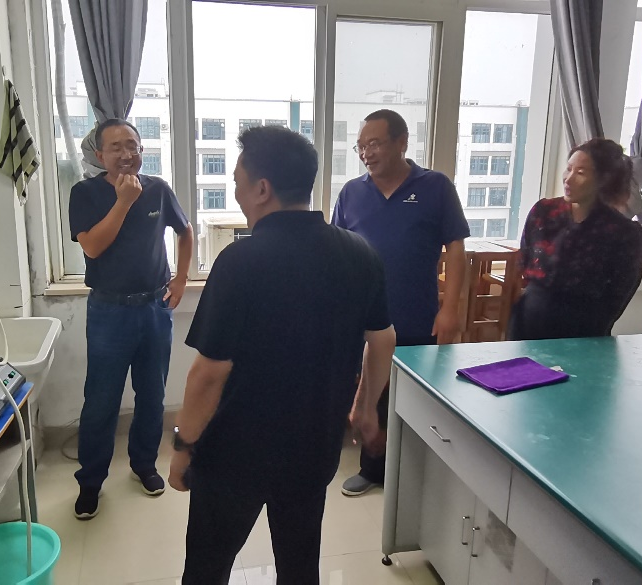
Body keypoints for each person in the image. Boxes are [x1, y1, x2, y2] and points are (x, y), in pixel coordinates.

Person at [168, 125, 397, 584]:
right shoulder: (359, 253)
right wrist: (365, 407)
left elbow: (208, 375)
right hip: (314, 449)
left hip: (236, 455)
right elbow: (384, 339)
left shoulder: (241, 262)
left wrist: (184, 446)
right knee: (299, 566)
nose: (235, 192)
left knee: (208, 567)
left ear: (262, 189)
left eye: (237, 181)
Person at [331, 109, 469, 497]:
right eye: (361, 146)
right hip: (366, 320)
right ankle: (373, 470)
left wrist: (451, 308)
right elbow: (337, 251)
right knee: (372, 393)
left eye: (374, 143)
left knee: (417, 397)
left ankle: (416, 477)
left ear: (402, 142)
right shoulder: (352, 193)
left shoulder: (435, 186)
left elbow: (456, 249)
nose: (366, 153)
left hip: (417, 315)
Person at [69, 118, 194, 520]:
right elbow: (92, 247)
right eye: (116, 147)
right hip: (109, 311)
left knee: (152, 395)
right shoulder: (85, 193)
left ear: (141, 150)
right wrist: (123, 202)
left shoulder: (158, 188)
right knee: (101, 401)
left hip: (155, 308)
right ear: (99, 154)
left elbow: (185, 231)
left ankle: (144, 465)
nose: (126, 154)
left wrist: (181, 278)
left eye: (132, 146)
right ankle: (90, 482)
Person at [509, 138, 642, 341]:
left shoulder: (624, 233)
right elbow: (525, 261)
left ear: (603, 180)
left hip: (584, 333)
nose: (568, 178)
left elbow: (619, 295)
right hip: (528, 323)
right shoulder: (543, 212)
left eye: (580, 173)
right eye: (568, 169)